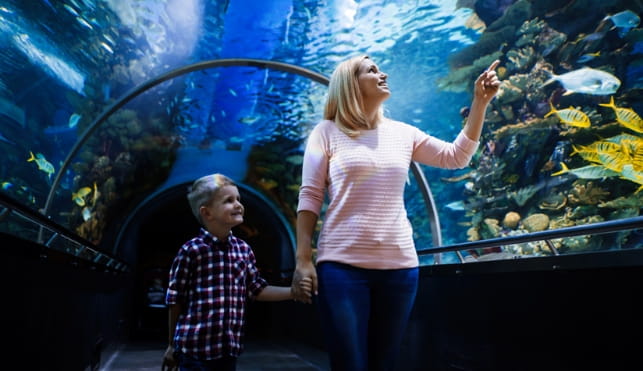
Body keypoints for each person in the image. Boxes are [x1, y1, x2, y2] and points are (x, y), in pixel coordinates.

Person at [291, 55, 500, 371]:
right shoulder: (326, 132)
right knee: (350, 363)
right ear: (350, 84)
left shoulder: (404, 133)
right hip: (341, 268)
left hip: (400, 269)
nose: (383, 73)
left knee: (384, 363)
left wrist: (480, 102)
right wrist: (303, 260)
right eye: (371, 70)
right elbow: (310, 195)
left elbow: (456, 157)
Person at [162, 173, 312, 371]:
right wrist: (172, 345)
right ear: (207, 213)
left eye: (238, 199)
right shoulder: (192, 251)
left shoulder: (243, 250)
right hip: (194, 350)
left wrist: (292, 292)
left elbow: (256, 289)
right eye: (229, 200)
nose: (238, 204)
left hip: (228, 350)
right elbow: (175, 299)